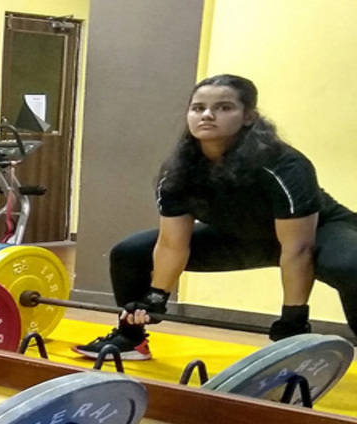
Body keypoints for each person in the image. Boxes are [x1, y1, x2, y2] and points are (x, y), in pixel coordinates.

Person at [74, 74, 357, 361]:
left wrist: (293, 320)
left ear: (249, 117)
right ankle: (131, 339)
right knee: (130, 252)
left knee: (351, 266)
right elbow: (172, 244)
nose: (207, 115)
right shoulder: (178, 171)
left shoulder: (284, 165)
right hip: (241, 237)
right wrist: (155, 297)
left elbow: (298, 249)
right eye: (198, 108)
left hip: (317, 234)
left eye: (223, 108)